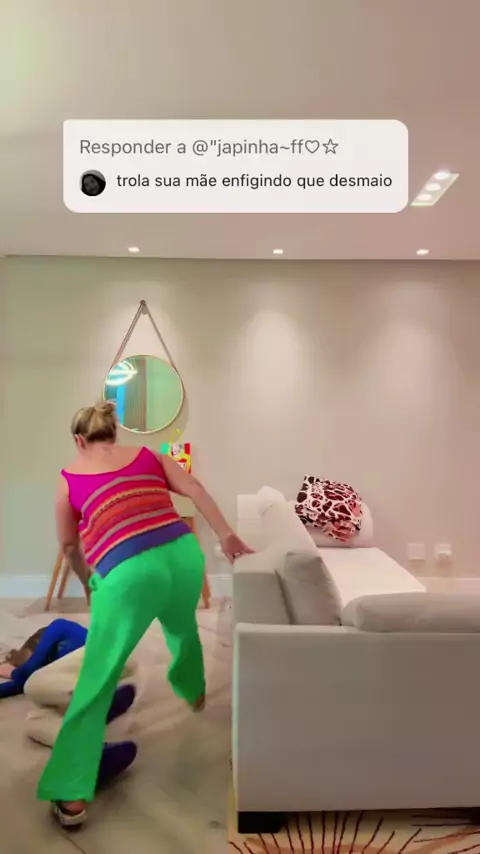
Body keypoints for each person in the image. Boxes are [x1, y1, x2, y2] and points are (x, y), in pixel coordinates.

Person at [38, 400, 253, 828]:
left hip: (131, 572)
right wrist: (227, 535)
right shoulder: (149, 455)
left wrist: (88, 582)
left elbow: (69, 546)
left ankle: (72, 794)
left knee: (97, 677)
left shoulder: (69, 478)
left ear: (79, 439)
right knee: (181, 624)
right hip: (184, 555)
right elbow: (193, 488)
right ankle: (193, 689)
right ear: (113, 433)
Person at [0, 620, 139, 788]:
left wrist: (15, 672)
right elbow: (25, 683)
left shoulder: (58, 626)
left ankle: (100, 703)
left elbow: (29, 672)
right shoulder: (56, 669)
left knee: (32, 685)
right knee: (35, 720)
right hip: (93, 680)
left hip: (111, 654)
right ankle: (94, 753)